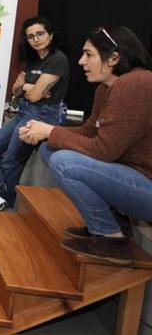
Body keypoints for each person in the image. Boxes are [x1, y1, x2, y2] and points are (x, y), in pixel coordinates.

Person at [19, 26, 152, 264]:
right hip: (134, 178)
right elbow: (89, 132)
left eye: (89, 55)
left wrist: (49, 130)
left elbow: (103, 150)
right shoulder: (107, 88)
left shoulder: (136, 84)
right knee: (51, 148)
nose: (81, 61)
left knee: (63, 161)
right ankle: (114, 219)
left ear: (114, 57)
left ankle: (110, 238)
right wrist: (44, 133)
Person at [0, 16, 69, 220]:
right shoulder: (34, 60)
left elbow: (34, 95)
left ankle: (1, 207)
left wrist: (28, 88)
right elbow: (16, 90)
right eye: (31, 36)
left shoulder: (58, 60)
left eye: (40, 34)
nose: (36, 39)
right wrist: (28, 87)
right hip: (25, 111)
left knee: (11, 160)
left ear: (51, 34)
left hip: (43, 116)